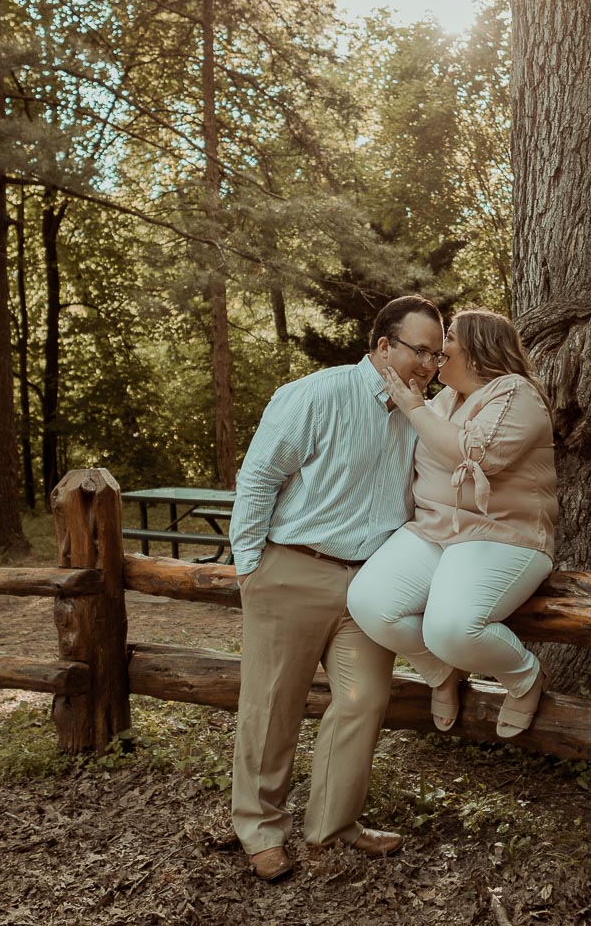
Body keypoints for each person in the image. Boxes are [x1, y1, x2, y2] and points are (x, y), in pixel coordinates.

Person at [228, 295, 445, 883]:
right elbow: (259, 478)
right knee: (273, 706)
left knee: (364, 701)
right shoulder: (314, 394)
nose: (428, 364)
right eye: (418, 350)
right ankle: (259, 828)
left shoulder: (426, 414)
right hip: (293, 569)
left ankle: (333, 824)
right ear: (381, 346)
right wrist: (250, 567)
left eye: (437, 354)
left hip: (370, 586)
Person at [347, 309, 558, 740]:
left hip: (501, 536)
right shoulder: (444, 401)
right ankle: (442, 674)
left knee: (450, 629)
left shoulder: (515, 394)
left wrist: (412, 407)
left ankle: (523, 676)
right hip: (433, 531)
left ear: (480, 349)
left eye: (452, 340)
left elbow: (475, 454)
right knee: (369, 603)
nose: (440, 350)